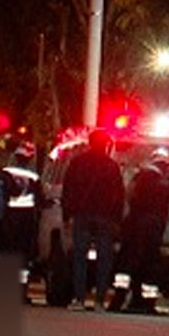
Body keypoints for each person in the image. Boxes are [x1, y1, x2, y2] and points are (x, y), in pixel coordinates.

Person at [61, 128, 125, 311]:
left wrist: (67, 215)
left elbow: (68, 190)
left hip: (82, 215)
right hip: (104, 217)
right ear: (105, 144)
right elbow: (119, 195)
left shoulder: (77, 163)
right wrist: (117, 220)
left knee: (79, 257)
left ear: (90, 143)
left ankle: (79, 299)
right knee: (104, 259)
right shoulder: (111, 166)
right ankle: (99, 301)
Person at [121, 150, 169, 311]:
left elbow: (129, 194)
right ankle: (148, 304)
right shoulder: (167, 183)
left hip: (136, 226)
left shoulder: (140, 177)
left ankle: (127, 299)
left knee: (132, 263)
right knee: (151, 264)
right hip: (155, 229)